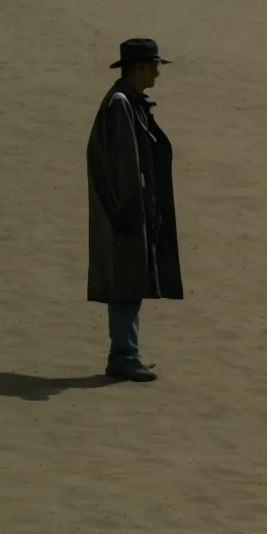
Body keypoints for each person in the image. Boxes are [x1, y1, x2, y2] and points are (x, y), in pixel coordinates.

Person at [86, 38, 184, 382]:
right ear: (140, 67)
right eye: (155, 65)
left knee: (130, 282)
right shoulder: (120, 103)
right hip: (125, 212)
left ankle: (128, 352)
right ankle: (124, 357)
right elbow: (126, 164)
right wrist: (132, 212)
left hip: (129, 210)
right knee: (125, 284)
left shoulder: (128, 102)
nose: (158, 72)